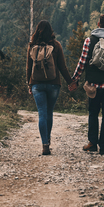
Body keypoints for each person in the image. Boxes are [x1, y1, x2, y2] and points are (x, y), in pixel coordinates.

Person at [69, 14, 104, 155]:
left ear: (98, 24)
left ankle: (92, 143)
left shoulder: (90, 40)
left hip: (93, 86)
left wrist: (74, 79)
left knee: (93, 113)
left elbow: (82, 63)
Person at [26, 20, 73, 155]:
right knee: (49, 112)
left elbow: (29, 67)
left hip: (37, 84)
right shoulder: (56, 46)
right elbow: (62, 67)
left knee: (42, 113)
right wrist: (70, 82)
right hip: (54, 84)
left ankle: (44, 144)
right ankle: (48, 139)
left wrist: (29, 83)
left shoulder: (32, 46)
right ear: (51, 31)